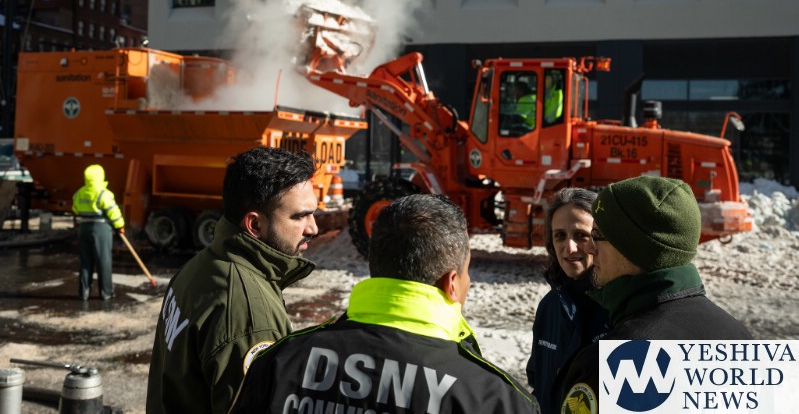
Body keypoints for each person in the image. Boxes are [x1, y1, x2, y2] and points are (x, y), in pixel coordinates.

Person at [232, 194, 538, 414]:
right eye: (468, 272)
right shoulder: (496, 399)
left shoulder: (281, 361)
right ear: (452, 282)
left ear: (376, 264)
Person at [146, 147, 319, 414]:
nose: (313, 228)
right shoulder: (248, 313)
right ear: (255, 225)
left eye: (313, 213)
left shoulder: (202, 265)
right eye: (299, 216)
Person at [558, 175, 752, 413]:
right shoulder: (742, 340)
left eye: (597, 235)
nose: (589, 248)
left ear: (632, 248)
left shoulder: (612, 363)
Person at [526, 188, 608, 414]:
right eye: (560, 236)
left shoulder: (620, 309)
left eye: (581, 235)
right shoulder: (549, 307)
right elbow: (538, 381)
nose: (570, 248)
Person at [71, 164, 125, 301]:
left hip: (83, 229)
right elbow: (113, 212)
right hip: (100, 229)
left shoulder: (79, 193)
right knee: (103, 260)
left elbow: (75, 209)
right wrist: (120, 226)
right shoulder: (104, 194)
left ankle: (84, 293)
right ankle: (106, 292)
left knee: (85, 261)